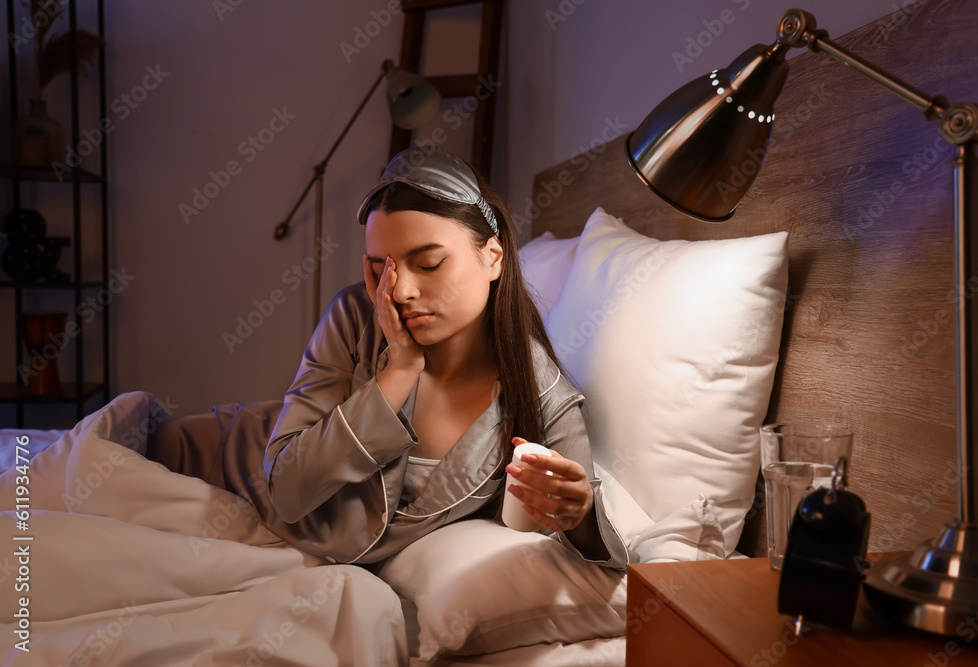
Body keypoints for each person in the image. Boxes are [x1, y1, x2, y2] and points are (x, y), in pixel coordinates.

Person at [148, 146, 627, 571]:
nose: (398, 290)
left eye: (429, 263)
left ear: (494, 257)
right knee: (131, 443)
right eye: (380, 268)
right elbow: (288, 491)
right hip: (228, 454)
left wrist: (579, 513)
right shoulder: (355, 315)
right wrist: (398, 371)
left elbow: (607, 550)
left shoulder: (541, 392)